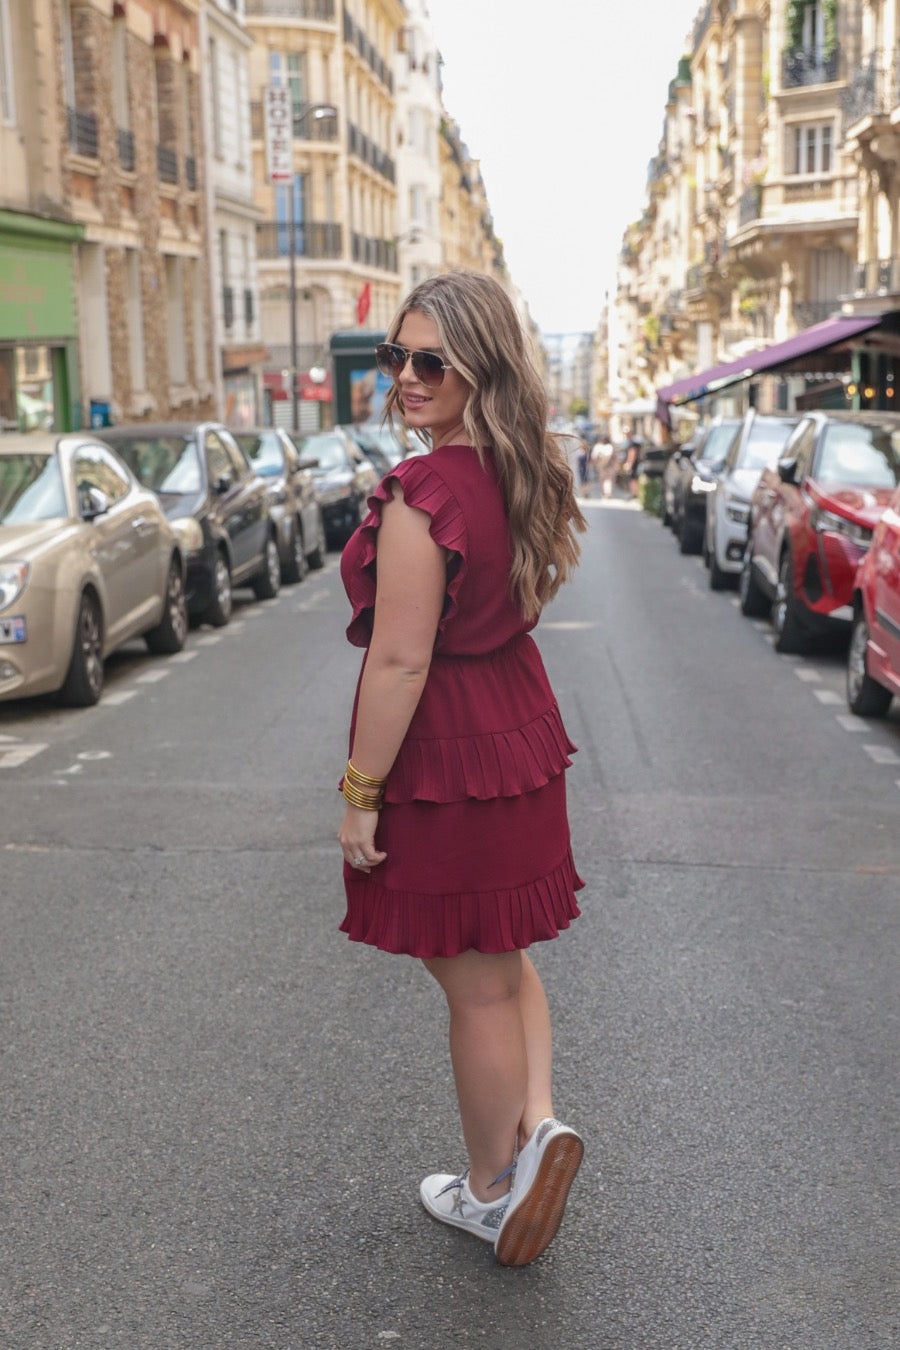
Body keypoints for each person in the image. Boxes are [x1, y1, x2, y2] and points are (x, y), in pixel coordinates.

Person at [336, 270, 587, 1267]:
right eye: (394, 356)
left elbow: (401, 660)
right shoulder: (521, 471)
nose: (406, 376)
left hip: (449, 749)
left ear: (480, 368)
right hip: (515, 727)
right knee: (501, 954)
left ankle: (490, 1189)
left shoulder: (423, 493)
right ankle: (537, 1125)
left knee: (473, 982)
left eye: (431, 362)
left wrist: (361, 794)